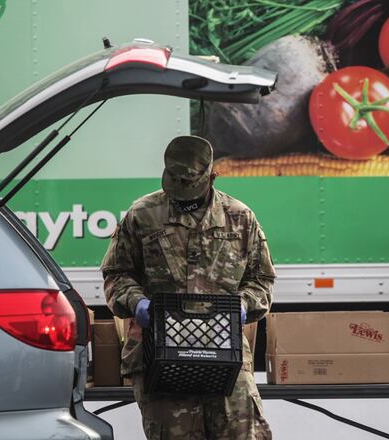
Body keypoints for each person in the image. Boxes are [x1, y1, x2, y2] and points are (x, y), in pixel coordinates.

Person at [102, 135, 275, 439]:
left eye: (190, 182)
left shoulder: (239, 218)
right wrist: (137, 302)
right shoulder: (143, 215)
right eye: (175, 181)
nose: (181, 191)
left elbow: (262, 280)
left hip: (225, 354)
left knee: (244, 433)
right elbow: (116, 274)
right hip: (160, 355)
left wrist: (245, 304)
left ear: (211, 176)